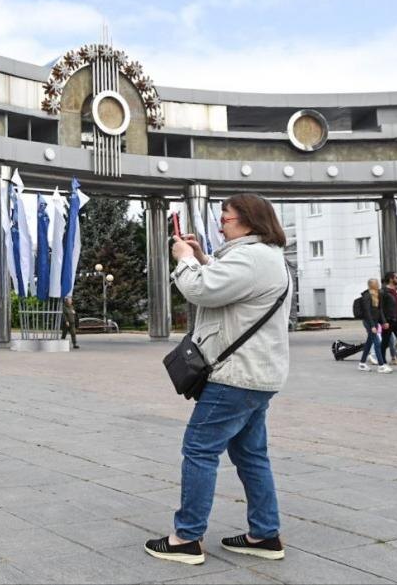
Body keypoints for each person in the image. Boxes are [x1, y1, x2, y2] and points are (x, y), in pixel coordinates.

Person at [145, 193, 290, 566]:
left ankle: (186, 538)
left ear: (247, 221)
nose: (221, 223)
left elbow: (201, 290)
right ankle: (264, 533)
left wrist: (184, 260)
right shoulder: (264, 257)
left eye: (226, 218)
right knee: (250, 454)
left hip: (236, 377)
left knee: (199, 449)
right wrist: (203, 258)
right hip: (258, 375)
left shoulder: (251, 257)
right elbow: (230, 287)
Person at [357, 279, 391, 373]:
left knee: (369, 343)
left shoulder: (378, 294)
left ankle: (362, 364)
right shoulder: (367, 296)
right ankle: (381, 366)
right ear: (372, 285)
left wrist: (384, 322)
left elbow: (380, 310)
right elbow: (367, 312)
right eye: (376, 283)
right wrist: (372, 326)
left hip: (375, 322)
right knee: (377, 343)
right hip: (368, 322)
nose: (378, 285)